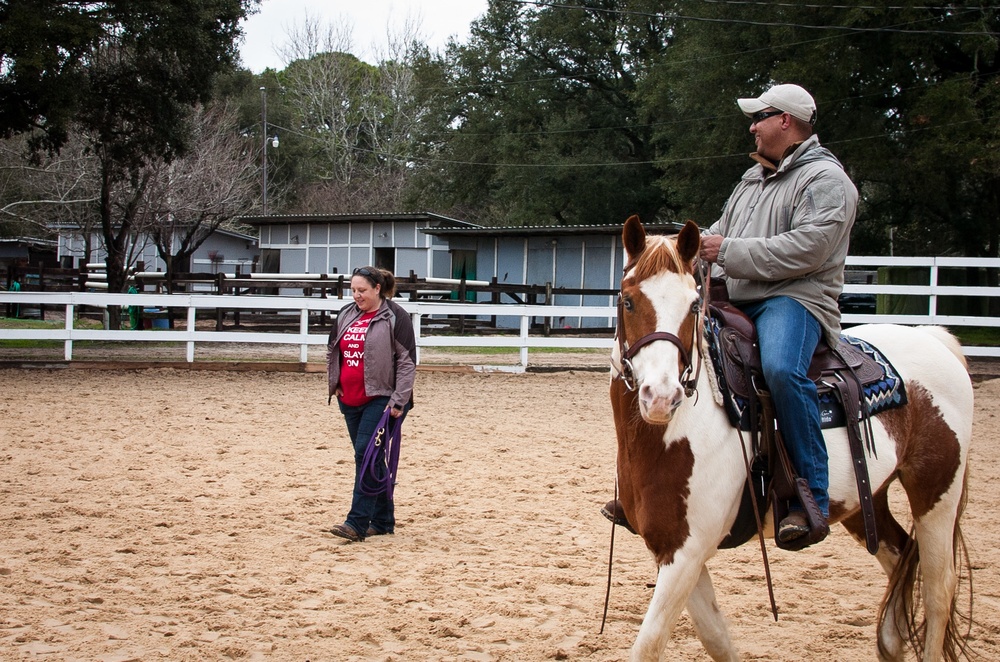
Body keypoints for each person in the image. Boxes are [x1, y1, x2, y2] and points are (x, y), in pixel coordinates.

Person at [700, 83, 858, 544]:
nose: (752, 126)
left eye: (760, 117)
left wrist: (727, 250)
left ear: (785, 120)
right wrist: (685, 250)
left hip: (796, 297)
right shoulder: (753, 179)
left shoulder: (827, 182)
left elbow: (808, 249)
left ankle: (809, 495)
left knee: (783, 369)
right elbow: (721, 230)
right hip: (741, 293)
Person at [327, 266, 416, 542]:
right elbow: (333, 349)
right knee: (372, 457)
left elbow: (407, 361)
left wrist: (400, 399)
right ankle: (382, 520)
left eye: (362, 290)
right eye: (353, 290)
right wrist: (335, 382)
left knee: (365, 455)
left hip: (383, 398)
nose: (356, 295)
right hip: (350, 398)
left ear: (377, 288)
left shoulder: (395, 317)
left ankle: (356, 522)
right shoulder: (346, 314)